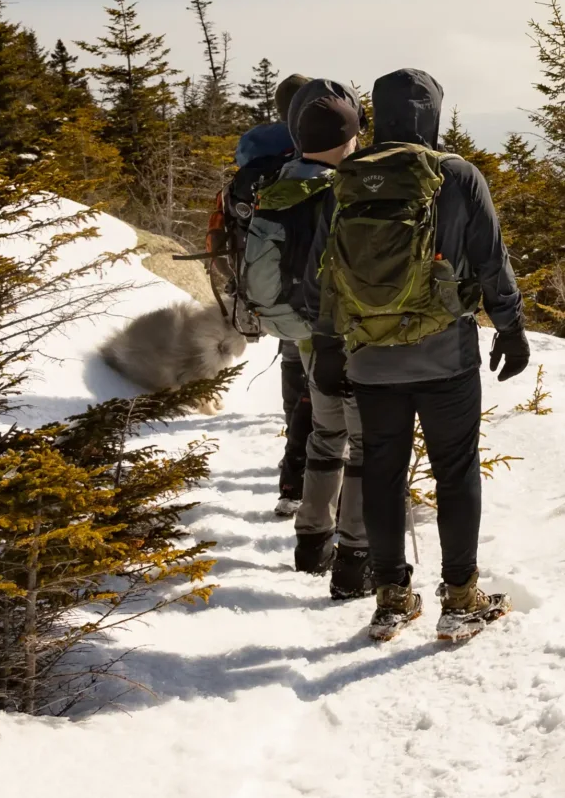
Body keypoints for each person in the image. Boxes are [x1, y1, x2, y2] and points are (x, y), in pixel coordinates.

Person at [335, 67, 530, 643]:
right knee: (455, 470)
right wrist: (511, 328)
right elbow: (491, 261)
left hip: (369, 356)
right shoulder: (457, 175)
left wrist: (329, 345)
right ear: (433, 115)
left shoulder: (349, 176)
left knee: (382, 473)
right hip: (445, 355)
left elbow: (326, 270)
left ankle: (391, 598)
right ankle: (462, 598)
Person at [277, 80, 374, 599]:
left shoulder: (280, 183)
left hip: (306, 334)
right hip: (347, 333)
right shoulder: (346, 188)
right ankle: (355, 555)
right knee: (362, 445)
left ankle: (312, 540)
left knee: (324, 434)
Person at [216, 72, 312, 515]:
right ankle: (312, 476)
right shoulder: (320, 146)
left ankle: (294, 472)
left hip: (272, 288)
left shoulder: (255, 151)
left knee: (295, 372)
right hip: (317, 288)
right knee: (330, 382)